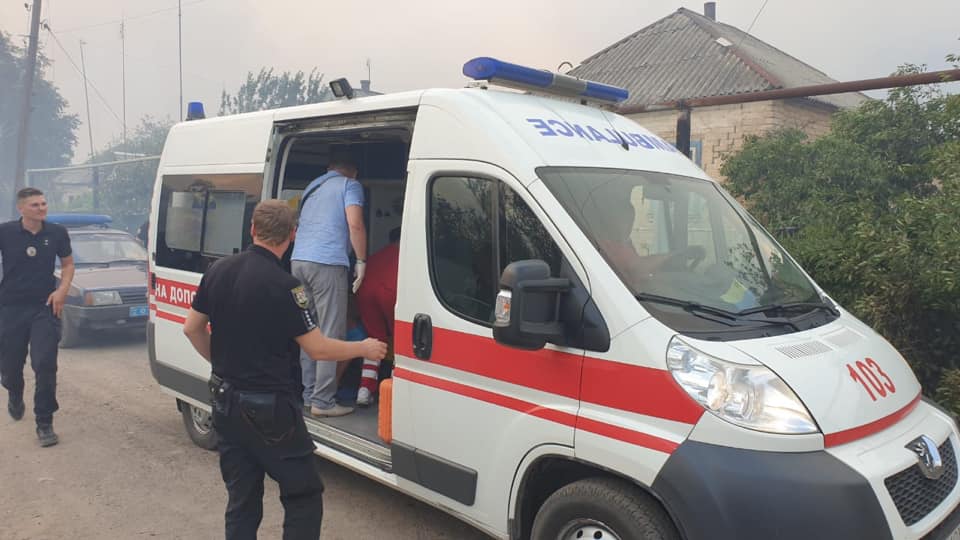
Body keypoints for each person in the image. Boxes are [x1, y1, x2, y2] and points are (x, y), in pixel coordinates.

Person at [182, 200, 386, 540]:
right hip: (270, 412)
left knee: (242, 500)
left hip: (225, 402)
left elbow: (192, 328)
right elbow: (317, 348)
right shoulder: (286, 286)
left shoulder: (217, 270)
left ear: (252, 229)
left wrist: (223, 365)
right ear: (292, 235)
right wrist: (363, 348)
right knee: (303, 494)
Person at [291, 154, 367, 418]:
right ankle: (323, 402)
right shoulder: (350, 185)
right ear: (353, 172)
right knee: (330, 332)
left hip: (298, 263)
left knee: (309, 329)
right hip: (327, 263)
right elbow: (355, 223)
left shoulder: (312, 187)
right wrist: (361, 260)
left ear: (329, 169)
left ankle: (309, 395)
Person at [0, 187, 74, 447]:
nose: (41, 208)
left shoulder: (56, 233)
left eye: (43, 203)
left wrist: (62, 290)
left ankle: (45, 422)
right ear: (21, 208)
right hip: (10, 308)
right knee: (9, 367)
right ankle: (14, 391)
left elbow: (68, 264)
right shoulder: (5, 232)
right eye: (35, 205)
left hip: (45, 307)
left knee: (45, 364)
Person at [354, 226, 400, 406]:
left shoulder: (377, 255)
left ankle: (364, 390)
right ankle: (393, 391)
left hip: (365, 291)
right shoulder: (404, 256)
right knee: (401, 341)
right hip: (390, 292)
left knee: (374, 340)